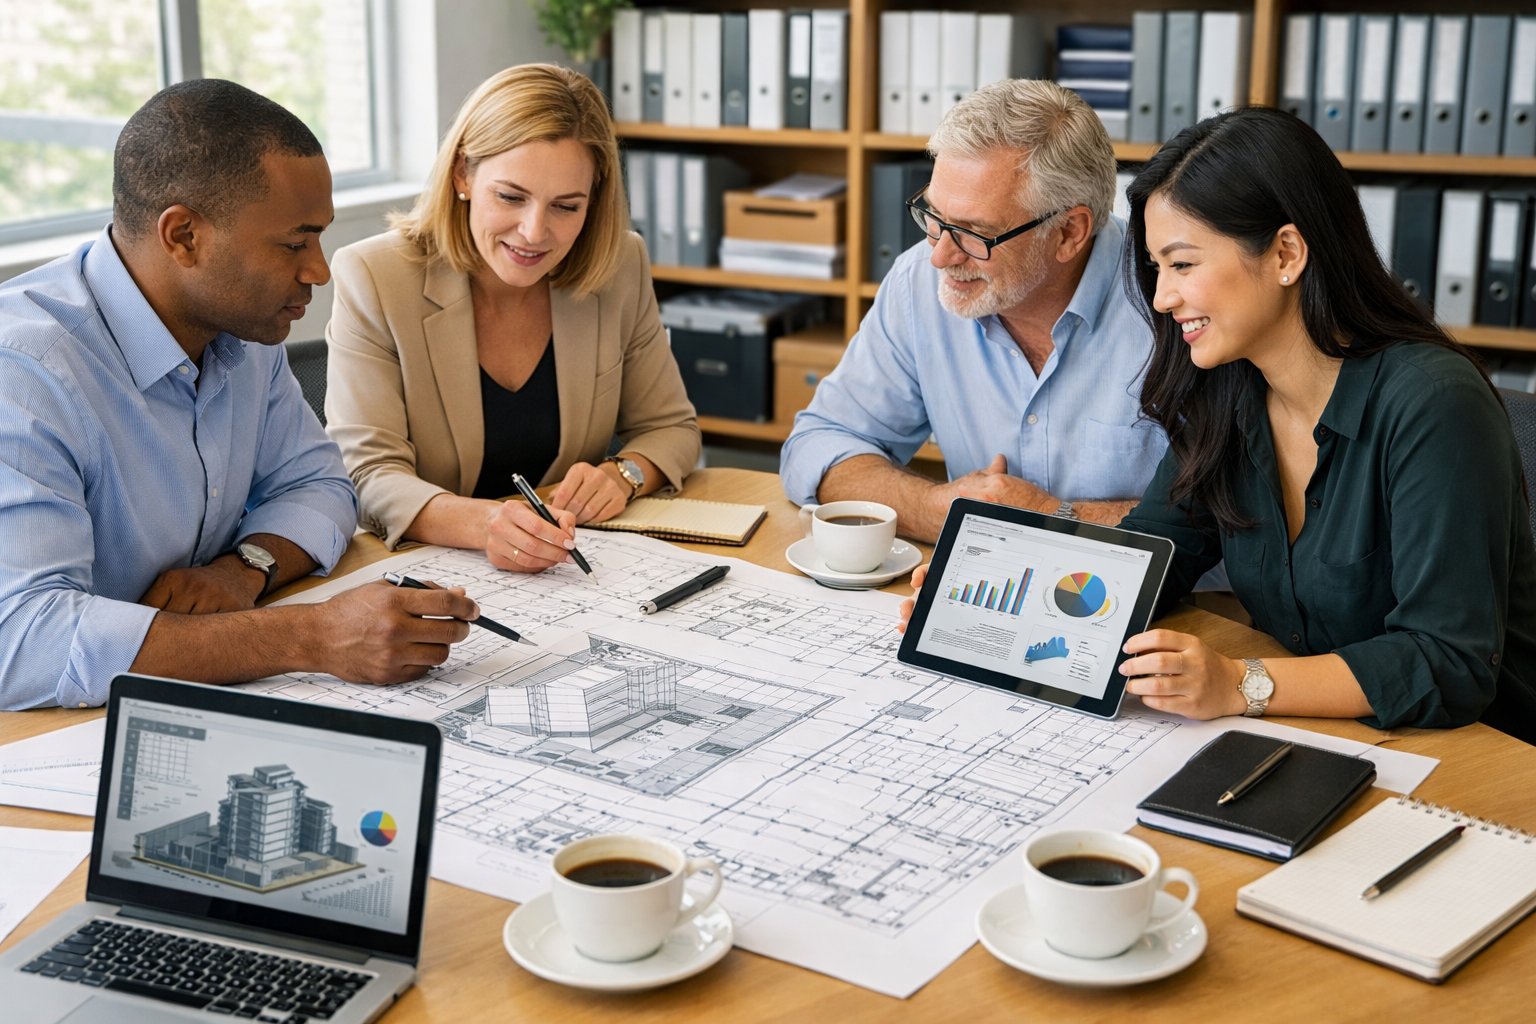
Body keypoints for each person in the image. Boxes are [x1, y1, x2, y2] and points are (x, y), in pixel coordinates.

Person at [907, 107, 1536, 742]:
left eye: (1182, 265)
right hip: (1337, 735)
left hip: (1483, 756)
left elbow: (1449, 662)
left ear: (1286, 253)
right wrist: (989, 593)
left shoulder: (1433, 404)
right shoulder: (1229, 389)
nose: (1161, 297)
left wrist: (1240, 683)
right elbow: (1156, 554)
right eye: (1156, 269)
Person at [0, 79, 484, 711]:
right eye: (294, 243)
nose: (319, 269)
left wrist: (245, 568)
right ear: (183, 237)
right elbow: (24, 641)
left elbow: (320, 486)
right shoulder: (26, 374)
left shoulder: (241, 326)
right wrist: (310, 637)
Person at [324, 64, 700, 573]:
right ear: (463, 175)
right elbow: (366, 474)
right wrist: (483, 524)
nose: (534, 232)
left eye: (566, 206)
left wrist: (624, 474)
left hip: (569, 571)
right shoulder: (375, 275)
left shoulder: (619, 264)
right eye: (511, 197)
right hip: (432, 572)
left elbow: (672, 427)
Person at [780, 79, 1166, 540]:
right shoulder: (917, 282)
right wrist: (934, 509)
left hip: (1172, 607)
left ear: (1069, 232)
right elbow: (818, 445)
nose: (941, 256)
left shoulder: (1174, 301)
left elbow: (1235, 519)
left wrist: (1056, 518)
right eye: (934, 217)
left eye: (975, 233)